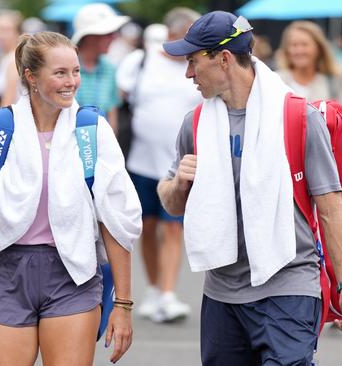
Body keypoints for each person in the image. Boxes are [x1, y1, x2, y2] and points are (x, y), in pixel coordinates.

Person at [158, 11, 342, 365]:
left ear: (223, 59)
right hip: (223, 296)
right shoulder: (194, 124)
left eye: (193, 61)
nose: (189, 73)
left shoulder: (299, 118)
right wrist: (179, 183)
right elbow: (171, 204)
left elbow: (331, 208)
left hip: (289, 286)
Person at [0, 31, 142, 365]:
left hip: (73, 273)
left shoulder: (92, 130)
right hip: (8, 271)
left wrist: (124, 305)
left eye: (75, 71)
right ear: (30, 77)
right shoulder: (0, 129)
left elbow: (116, 220)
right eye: (60, 73)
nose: (72, 81)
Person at [116, 7, 201, 323]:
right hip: (139, 160)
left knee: (172, 226)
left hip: (179, 164)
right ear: (172, 34)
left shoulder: (197, 64)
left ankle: (168, 293)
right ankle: (154, 289)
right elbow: (120, 98)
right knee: (147, 227)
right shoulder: (140, 61)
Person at [275, 21, 342, 119]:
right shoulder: (276, 80)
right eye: (294, 45)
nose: (299, 50)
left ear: (319, 48)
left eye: (304, 44)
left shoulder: (333, 80)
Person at [72, 2, 130, 133]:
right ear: (90, 36)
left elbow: (112, 113)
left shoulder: (109, 68)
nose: (114, 37)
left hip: (100, 144)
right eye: (108, 33)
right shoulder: (65, 67)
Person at [0, 10, 23, 107]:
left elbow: (7, 104)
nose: (0, 35)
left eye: (6, 30)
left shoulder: (14, 61)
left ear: (18, 32)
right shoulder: (8, 57)